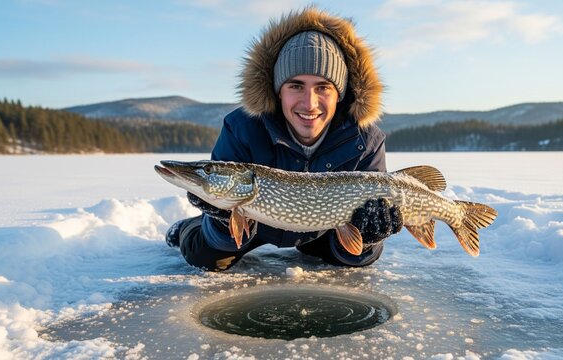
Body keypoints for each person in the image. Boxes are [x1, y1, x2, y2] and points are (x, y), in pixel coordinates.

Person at [165, 7, 403, 271]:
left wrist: (368, 239)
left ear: (340, 94)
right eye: (296, 86)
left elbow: (360, 250)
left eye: (323, 87)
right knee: (208, 254)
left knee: (351, 261)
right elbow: (228, 219)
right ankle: (187, 227)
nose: (309, 103)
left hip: (323, 229)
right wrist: (222, 220)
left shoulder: (365, 141)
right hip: (257, 225)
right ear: (279, 91)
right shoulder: (242, 127)